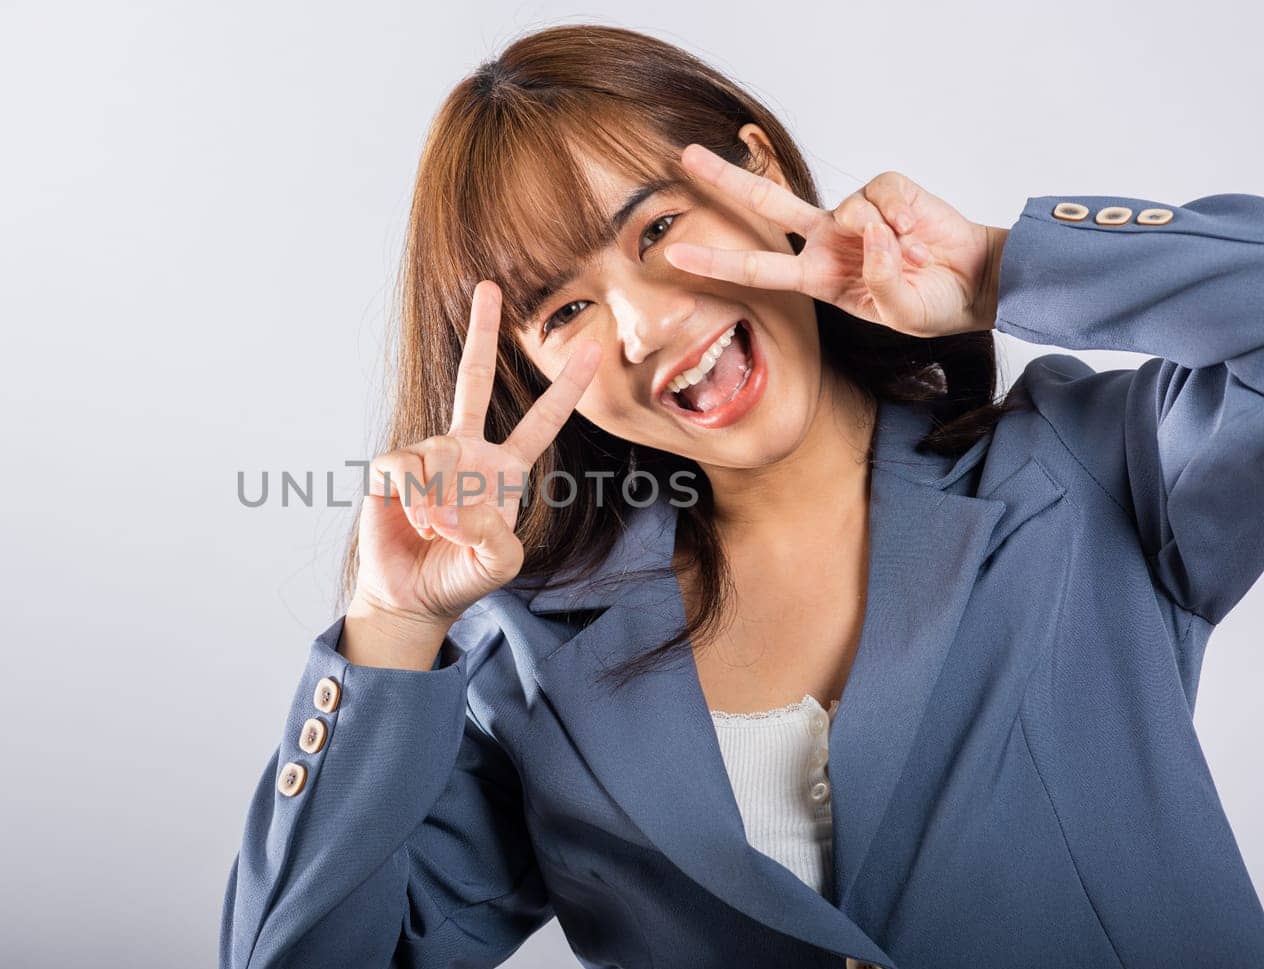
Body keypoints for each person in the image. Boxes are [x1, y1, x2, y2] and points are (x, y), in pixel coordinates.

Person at [219, 23, 1264, 969]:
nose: (641, 327)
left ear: (756, 169)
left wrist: (997, 270)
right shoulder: (531, 666)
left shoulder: (1082, 470)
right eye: (567, 309)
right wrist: (391, 628)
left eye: (654, 230)